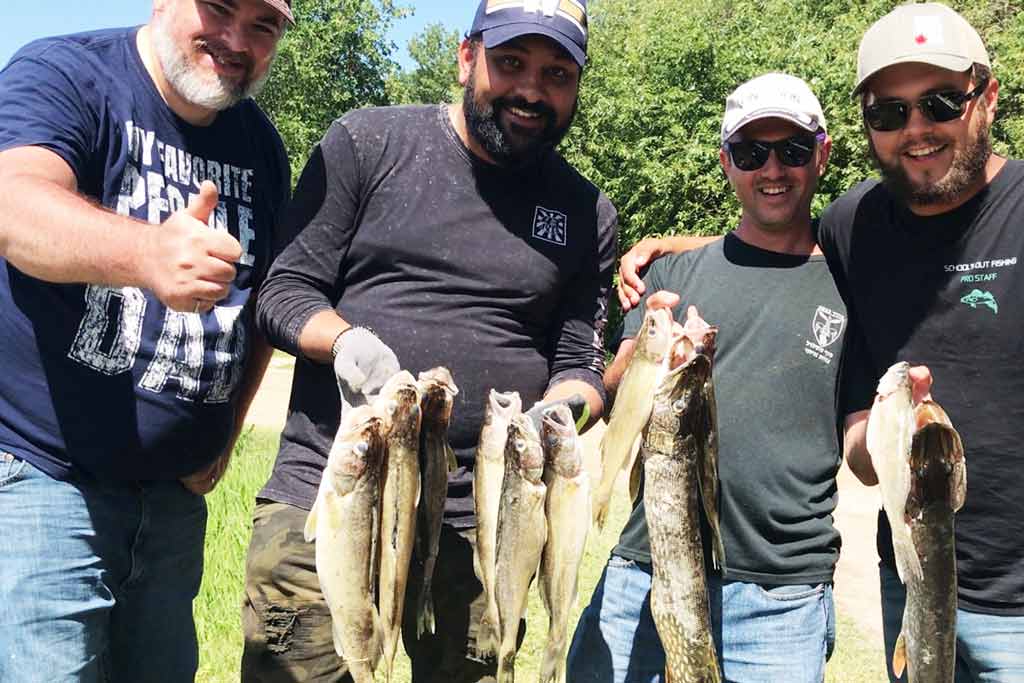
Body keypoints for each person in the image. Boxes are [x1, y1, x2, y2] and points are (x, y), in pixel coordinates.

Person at [239, 0, 616, 681]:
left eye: (557, 73)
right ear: (466, 57)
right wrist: (347, 342)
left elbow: (582, 365)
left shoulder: (586, 211)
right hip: (336, 497)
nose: (532, 90)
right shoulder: (366, 144)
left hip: (483, 531)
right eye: (511, 63)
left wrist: (562, 413)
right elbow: (282, 292)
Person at [0, 0, 293, 680]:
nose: (235, 40)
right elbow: (14, 205)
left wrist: (225, 430)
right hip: (47, 482)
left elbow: (260, 310)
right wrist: (146, 254)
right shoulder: (68, 74)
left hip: (170, 509)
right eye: (218, 8)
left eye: (264, 26)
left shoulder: (261, 148)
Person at [568, 73, 843, 682]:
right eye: (751, 153)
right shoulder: (672, 275)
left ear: (822, 153)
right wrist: (644, 354)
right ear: (726, 163)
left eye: (792, 151)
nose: (772, 169)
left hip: (781, 596)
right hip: (645, 568)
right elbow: (613, 398)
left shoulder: (855, 279)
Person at [817, 3, 1024, 681]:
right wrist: (666, 250)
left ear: (987, 98)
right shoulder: (854, 225)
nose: (916, 130)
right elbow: (778, 247)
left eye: (939, 102)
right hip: (907, 584)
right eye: (888, 112)